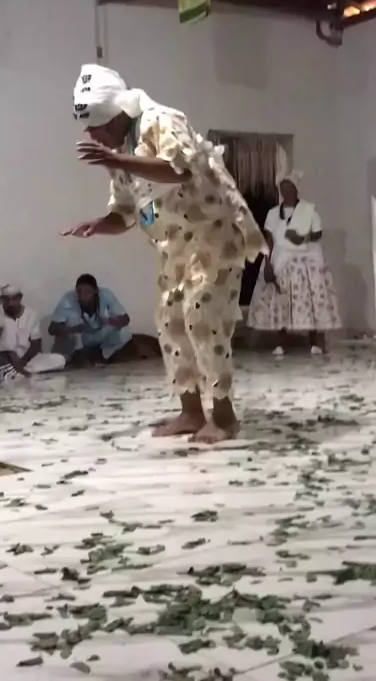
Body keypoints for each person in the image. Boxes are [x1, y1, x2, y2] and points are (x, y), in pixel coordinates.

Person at [62, 64, 266, 443]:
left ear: (116, 114)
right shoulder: (119, 152)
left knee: (201, 316)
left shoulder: (161, 120)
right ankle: (190, 412)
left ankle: (224, 417)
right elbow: (126, 212)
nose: (92, 135)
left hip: (213, 234)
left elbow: (178, 169)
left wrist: (116, 160)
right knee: (170, 321)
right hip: (174, 247)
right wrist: (99, 224)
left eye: (96, 126)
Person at [248, 171, 341, 355]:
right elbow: (269, 240)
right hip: (281, 259)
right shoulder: (273, 214)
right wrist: (267, 263)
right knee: (280, 300)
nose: (286, 192)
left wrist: (302, 237)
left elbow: (317, 233)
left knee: (311, 300)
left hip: (306, 260)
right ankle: (280, 342)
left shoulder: (309, 210)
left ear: (296, 189)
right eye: (282, 189)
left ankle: (315, 341)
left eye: (289, 188)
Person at [49, 274, 133, 366]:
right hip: (79, 338)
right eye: (79, 292)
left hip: (98, 334)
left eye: (87, 292)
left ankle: (102, 356)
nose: (82, 296)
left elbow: (125, 319)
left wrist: (109, 321)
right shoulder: (68, 298)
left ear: (96, 291)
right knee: (72, 319)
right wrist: (75, 329)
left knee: (124, 332)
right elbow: (52, 329)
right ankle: (78, 356)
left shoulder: (106, 295)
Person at [0, 285, 42, 375]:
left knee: (59, 359)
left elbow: (36, 345)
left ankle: (15, 370)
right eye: (7, 300)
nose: (10, 303)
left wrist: (21, 363)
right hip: (5, 359)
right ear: (2, 300)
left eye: (14, 299)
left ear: (20, 298)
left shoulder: (32, 314)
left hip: (27, 359)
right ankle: (12, 370)